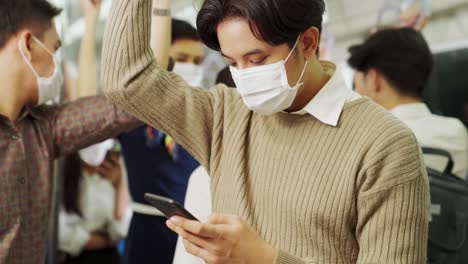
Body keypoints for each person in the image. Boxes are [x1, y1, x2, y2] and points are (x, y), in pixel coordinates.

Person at [102, 0, 429, 263]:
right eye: (232, 62)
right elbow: (127, 82)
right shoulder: (224, 115)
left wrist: (264, 258)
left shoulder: (385, 145)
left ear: (308, 42)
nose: (243, 77)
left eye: (256, 60)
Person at [0, 0, 139, 262]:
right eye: (54, 50)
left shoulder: (43, 129)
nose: (56, 65)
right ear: (28, 44)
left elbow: (131, 103)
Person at [118, 18, 202, 264]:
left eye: (198, 61)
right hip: (146, 235)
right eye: (182, 58)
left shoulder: (202, 114)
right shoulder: (134, 116)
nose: (191, 67)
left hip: (194, 238)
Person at [349, 28, 468, 179]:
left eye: (357, 85)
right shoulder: (456, 132)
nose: (357, 92)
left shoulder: (368, 143)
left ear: (375, 81)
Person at [59, 140, 132, 264]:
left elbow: (120, 231)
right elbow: (61, 235)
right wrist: (104, 241)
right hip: (70, 257)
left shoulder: (115, 168)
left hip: (106, 257)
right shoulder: (63, 168)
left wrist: (120, 185)